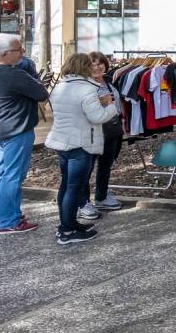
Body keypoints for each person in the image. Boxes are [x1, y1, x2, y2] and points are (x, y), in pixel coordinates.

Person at [46, 53, 119, 245]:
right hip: (81, 143)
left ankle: (67, 223)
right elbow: (97, 117)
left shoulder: (59, 86)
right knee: (73, 187)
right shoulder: (87, 89)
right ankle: (67, 231)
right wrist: (110, 106)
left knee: (66, 185)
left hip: (62, 141)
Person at [0, 33, 48, 234]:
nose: (23, 52)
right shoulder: (13, 74)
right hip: (17, 130)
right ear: (5, 53)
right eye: (19, 49)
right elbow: (42, 93)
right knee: (13, 175)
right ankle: (9, 219)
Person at [85, 52, 125, 214]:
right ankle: (83, 202)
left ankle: (101, 196)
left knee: (105, 166)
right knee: (86, 168)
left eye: (100, 63)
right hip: (93, 132)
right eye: (93, 63)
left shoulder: (108, 81)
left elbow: (117, 106)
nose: (97, 66)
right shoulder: (85, 85)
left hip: (112, 131)